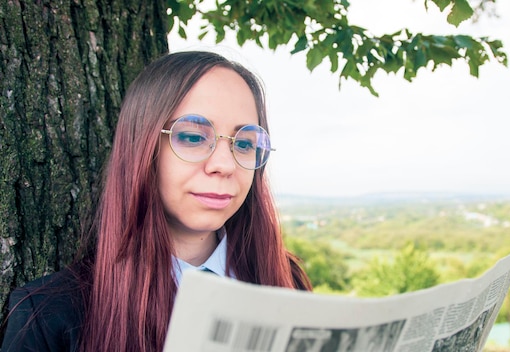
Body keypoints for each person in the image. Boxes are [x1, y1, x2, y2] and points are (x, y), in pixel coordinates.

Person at [1, 51, 311, 352]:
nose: (226, 165)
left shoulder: (287, 283)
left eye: (244, 143)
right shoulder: (46, 315)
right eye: (192, 137)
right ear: (143, 146)